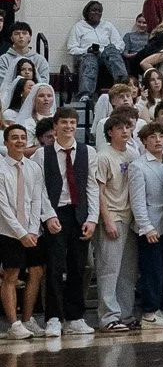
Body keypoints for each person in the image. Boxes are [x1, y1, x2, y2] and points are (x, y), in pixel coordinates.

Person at [40, 107, 96, 338]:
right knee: (54, 267)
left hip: (79, 212)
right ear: (55, 125)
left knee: (78, 266)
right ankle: (53, 317)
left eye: (73, 122)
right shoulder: (42, 154)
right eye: (64, 122)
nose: (69, 126)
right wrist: (48, 215)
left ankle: (75, 317)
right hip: (55, 212)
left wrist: (92, 218)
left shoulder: (87, 152)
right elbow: (39, 189)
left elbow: (92, 185)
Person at [0, 117, 49, 335]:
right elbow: (2, 206)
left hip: (31, 230)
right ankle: (13, 324)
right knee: (11, 274)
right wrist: (20, 233)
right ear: (6, 142)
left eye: (22, 137)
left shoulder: (34, 168)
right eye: (14, 138)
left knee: (37, 271)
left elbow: (37, 199)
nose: (19, 141)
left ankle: (28, 319)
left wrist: (31, 229)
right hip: (8, 231)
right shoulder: (1, 169)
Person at [94, 109, 139, 331]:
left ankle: (126, 313)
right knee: (109, 269)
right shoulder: (103, 156)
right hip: (112, 217)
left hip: (130, 219)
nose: (125, 131)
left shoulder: (132, 155)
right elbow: (97, 192)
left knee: (127, 271)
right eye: (119, 128)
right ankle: (108, 317)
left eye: (128, 127)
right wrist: (107, 220)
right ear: (109, 132)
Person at [129, 122, 163, 329]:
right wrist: (146, 226)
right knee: (152, 270)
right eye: (152, 137)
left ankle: (159, 308)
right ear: (144, 141)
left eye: (161, 136)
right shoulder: (138, 166)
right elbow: (137, 200)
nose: (157, 140)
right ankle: (149, 312)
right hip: (150, 226)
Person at [68, 1, 129, 101]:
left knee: (111, 49)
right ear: (87, 12)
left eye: (99, 11)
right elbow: (71, 48)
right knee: (90, 58)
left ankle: (122, 81)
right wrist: (86, 50)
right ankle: (85, 94)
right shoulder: (78, 27)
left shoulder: (108, 25)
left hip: (105, 58)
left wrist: (107, 50)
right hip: (87, 57)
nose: (97, 13)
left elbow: (120, 44)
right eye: (94, 10)